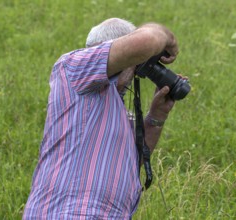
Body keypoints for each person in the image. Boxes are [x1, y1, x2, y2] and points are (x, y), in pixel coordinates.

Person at [23, 18, 179, 219]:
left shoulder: (117, 107)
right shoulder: (74, 67)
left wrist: (156, 117)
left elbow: (129, 164)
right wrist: (168, 38)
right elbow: (147, 40)